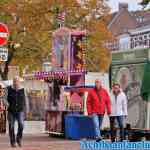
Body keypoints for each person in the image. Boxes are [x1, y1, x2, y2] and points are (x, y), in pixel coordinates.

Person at [7, 76, 29, 147]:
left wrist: (27, 109)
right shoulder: (8, 89)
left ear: (19, 82)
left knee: (21, 124)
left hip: (20, 110)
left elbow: (26, 100)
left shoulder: (23, 89)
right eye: (14, 81)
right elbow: (4, 98)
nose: (16, 83)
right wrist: (7, 104)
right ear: (13, 82)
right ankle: (13, 142)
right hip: (11, 111)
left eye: (17, 81)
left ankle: (18, 139)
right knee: (11, 126)